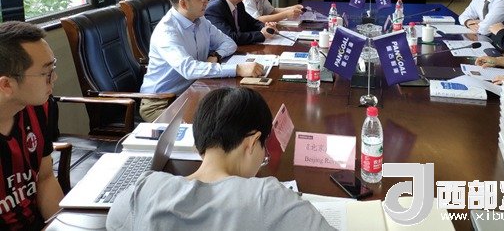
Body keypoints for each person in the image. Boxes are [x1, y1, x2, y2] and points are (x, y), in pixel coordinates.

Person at [106, 87, 335, 230]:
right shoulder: (267, 197)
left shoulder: (144, 191)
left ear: (199, 143)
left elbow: (114, 222)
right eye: (264, 149)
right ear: (252, 142)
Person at [139, 0, 264, 122]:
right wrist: (237, 69)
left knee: (238, 111)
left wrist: (216, 55)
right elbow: (189, 69)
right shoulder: (167, 32)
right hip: (161, 102)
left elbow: (229, 43)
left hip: (194, 89)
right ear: (183, 4)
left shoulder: (200, 20)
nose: (207, 1)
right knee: (213, 126)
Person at [0, 22, 63, 230]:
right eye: (46, 73)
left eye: (53, 68)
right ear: (6, 85)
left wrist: (64, 226)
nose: (54, 78)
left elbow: (45, 178)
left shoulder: (39, 108)